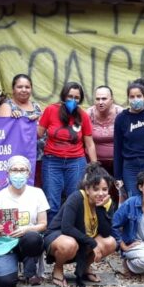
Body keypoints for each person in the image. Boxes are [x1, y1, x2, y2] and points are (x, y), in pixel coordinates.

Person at [44, 162, 117, 287]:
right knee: (69, 244)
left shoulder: (107, 202)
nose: (101, 193)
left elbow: (105, 232)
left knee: (110, 242)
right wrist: (92, 243)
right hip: (60, 237)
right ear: (87, 189)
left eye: (104, 189)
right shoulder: (77, 198)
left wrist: (100, 208)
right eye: (96, 189)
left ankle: (85, 268)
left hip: (83, 240)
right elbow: (67, 228)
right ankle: (58, 268)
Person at [38, 82, 97, 221]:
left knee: (74, 201)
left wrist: (95, 166)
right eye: (70, 96)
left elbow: (90, 144)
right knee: (52, 202)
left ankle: (72, 234)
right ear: (63, 96)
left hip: (76, 162)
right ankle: (51, 238)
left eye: (77, 98)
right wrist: (23, 121)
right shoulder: (51, 110)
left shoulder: (83, 115)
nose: (73, 100)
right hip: (52, 161)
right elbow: (37, 134)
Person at [0, 156, 49, 287]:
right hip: (5, 243)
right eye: (14, 170)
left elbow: (43, 224)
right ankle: (10, 267)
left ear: (28, 173)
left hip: (28, 242)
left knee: (32, 237)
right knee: (4, 282)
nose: (18, 173)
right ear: (8, 173)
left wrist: (26, 229)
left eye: (22, 170)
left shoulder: (37, 193)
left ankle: (30, 272)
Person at [88, 85, 123, 177]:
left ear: (111, 100)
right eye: (97, 99)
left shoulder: (121, 113)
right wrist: (94, 165)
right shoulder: (88, 114)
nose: (100, 102)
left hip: (118, 162)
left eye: (104, 99)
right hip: (95, 162)